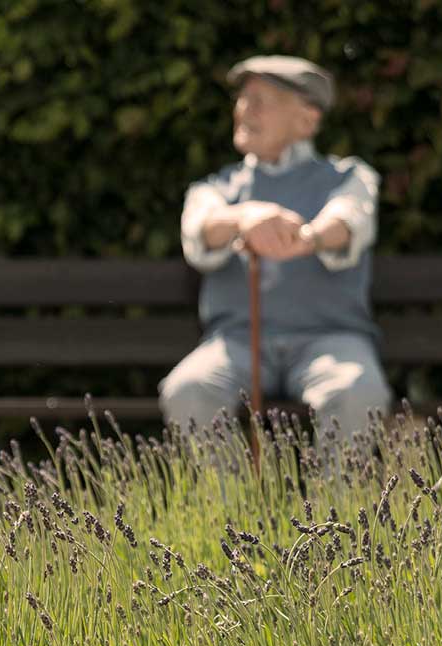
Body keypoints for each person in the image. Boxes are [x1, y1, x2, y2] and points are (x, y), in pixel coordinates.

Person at [158, 55, 392, 445]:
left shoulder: (350, 177)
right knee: (188, 389)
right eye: (243, 99)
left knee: (357, 392)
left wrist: (307, 237)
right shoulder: (216, 189)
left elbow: (348, 220)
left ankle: (340, 507)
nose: (244, 109)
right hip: (235, 344)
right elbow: (201, 228)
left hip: (331, 340)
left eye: (261, 100)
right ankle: (228, 507)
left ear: (307, 119)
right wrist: (243, 217)